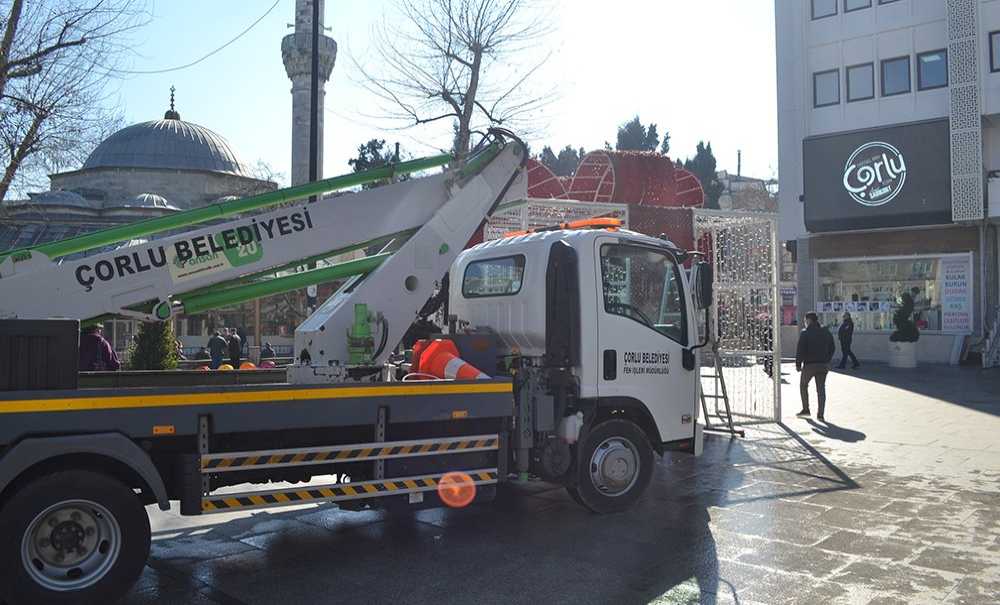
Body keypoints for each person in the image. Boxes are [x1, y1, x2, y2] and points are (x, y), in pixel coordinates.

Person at [795, 311, 835, 421]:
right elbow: (832, 347)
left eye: (805, 320)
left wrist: (798, 364)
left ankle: (806, 409)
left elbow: (800, 350)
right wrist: (827, 360)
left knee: (803, 385)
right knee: (821, 389)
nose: (804, 322)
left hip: (809, 365)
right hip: (823, 365)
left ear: (809, 320)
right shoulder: (826, 332)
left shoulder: (805, 333)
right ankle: (820, 414)